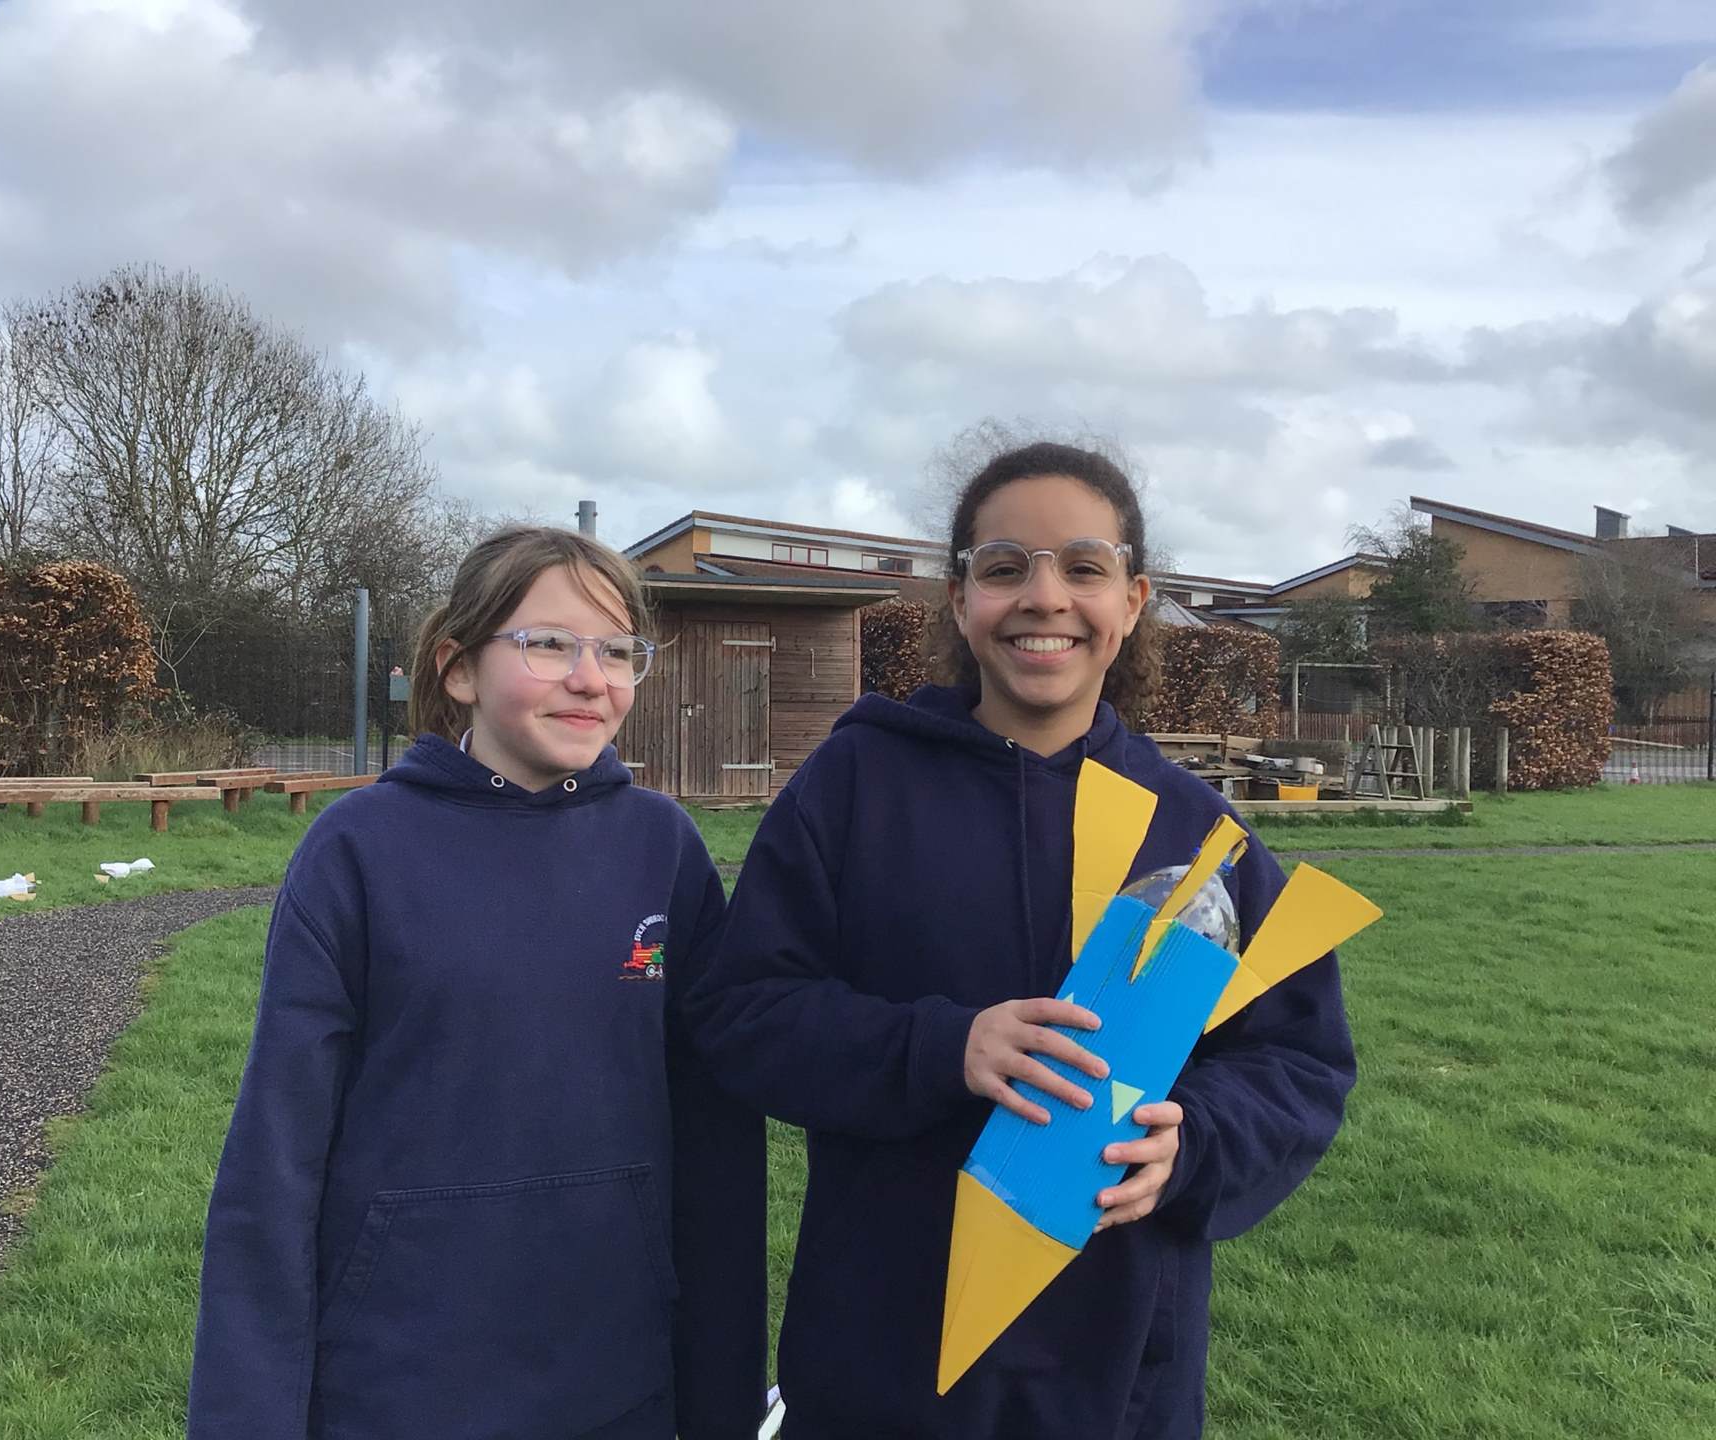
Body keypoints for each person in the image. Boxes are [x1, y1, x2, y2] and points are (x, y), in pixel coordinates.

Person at [685, 441, 1356, 1438]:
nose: (1045, 597)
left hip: (1120, 1368)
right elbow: (743, 1014)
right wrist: (942, 1047)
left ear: (1133, 600)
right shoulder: (854, 787)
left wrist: (1194, 1143)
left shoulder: (1198, 834)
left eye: (1084, 567)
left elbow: (1297, 1062)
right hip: (885, 1352)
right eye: (1005, 568)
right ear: (960, 601)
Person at [187, 526, 767, 1440]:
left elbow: (717, 1148)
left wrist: (721, 1397)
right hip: (398, 1387)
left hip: (616, 1380)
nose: (592, 678)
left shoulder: (664, 850)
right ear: (459, 669)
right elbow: (276, 1159)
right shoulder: (357, 850)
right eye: (550, 643)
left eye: (618, 651)